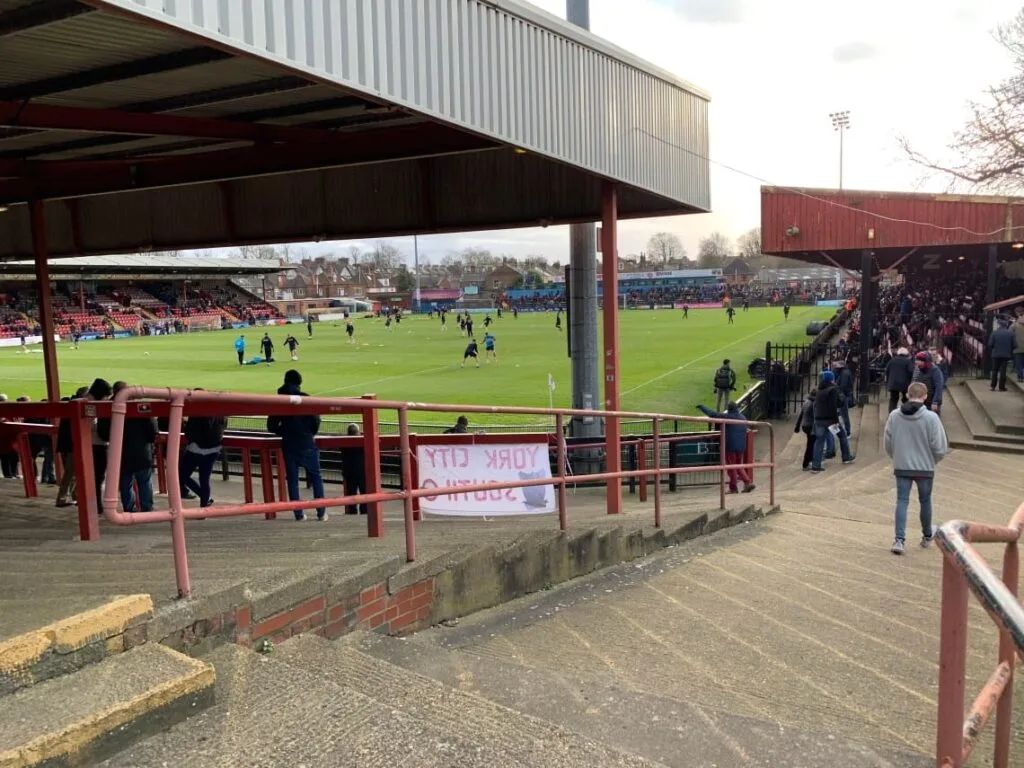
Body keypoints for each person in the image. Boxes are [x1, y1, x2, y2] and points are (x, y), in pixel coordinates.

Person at [883, 381, 949, 555]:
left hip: (902, 465)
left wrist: (896, 457)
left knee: (901, 501)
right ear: (925, 396)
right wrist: (933, 461)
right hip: (925, 467)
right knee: (925, 500)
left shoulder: (894, 416)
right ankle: (927, 535)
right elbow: (939, 446)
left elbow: (888, 442)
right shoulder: (931, 418)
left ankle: (899, 540)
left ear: (908, 394)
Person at [267, 370, 326, 522]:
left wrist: (285, 431)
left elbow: (271, 426)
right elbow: (316, 420)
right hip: (306, 442)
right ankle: (321, 513)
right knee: (316, 477)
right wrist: (308, 433)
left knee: (292, 480)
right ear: (299, 383)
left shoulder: (278, 400)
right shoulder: (305, 398)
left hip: (289, 444)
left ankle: (298, 515)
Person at [99, 381, 158, 513]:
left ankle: (129, 509)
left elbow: (103, 433)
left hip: (120, 453)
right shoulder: (140, 407)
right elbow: (152, 431)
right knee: (144, 482)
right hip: (141, 452)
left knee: (125, 483)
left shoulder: (107, 408)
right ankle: (146, 509)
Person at [179, 390, 226, 508]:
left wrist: (185, 424)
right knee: (204, 480)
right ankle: (204, 504)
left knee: (182, 476)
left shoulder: (196, 412)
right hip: (213, 450)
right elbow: (223, 426)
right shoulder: (219, 411)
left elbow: (190, 433)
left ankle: (204, 498)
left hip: (195, 450)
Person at [697, 401, 755, 493]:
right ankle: (747, 482)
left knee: (732, 467)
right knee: (738, 466)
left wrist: (702, 407)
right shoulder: (743, 418)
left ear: (728, 409)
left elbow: (712, 414)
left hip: (730, 446)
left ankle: (733, 488)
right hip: (741, 447)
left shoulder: (727, 417)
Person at [810, 370, 855, 472]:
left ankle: (816, 466)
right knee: (842, 436)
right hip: (830, 420)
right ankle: (846, 457)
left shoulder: (819, 390)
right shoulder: (832, 390)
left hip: (819, 419)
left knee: (819, 442)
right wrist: (836, 420)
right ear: (831, 379)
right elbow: (832, 407)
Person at [55, 387, 89, 508]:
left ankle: (74, 496)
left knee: (72, 472)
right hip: (71, 445)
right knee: (70, 472)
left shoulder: (69, 404)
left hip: (67, 444)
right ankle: (62, 497)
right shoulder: (76, 406)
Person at [341, 423, 368, 515]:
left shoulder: (344, 442)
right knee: (364, 491)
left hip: (349, 471)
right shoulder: (362, 441)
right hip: (361, 470)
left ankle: (352, 511)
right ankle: (364, 510)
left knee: (351, 492)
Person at [988, 317, 1016, 392]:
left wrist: (995, 348)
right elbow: (1015, 345)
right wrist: (1009, 349)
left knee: (994, 370)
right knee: (1003, 371)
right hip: (1006, 355)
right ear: (1006, 325)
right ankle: (1001, 387)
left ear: (999, 325)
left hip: (995, 354)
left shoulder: (994, 333)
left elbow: (990, 344)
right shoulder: (1010, 333)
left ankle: (993, 386)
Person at [885, 347, 915, 412]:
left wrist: (888, 380)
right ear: (906, 353)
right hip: (904, 383)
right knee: (906, 398)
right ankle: (906, 412)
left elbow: (887, 370)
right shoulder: (908, 361)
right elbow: (911, 371)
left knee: (893, 399)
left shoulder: (892, 360)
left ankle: (891, 413)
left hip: (893, 383)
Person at [793, 389, 817, 471]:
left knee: (810, 444)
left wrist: (797, 426)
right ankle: (806, 464)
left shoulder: (806, 402)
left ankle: (809, 461)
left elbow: (801, 415)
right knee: (810, 446)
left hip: (805, 425)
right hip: (811, 427)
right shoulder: (813, 404)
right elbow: (814, 417)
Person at [834, 360, 855, 437]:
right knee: (842, 414)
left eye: (837, 367)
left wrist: (835, 387)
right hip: (843, 396)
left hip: (843, 397)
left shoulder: (844, 373)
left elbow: (842, 386)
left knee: (844, 415)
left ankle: (847, 432)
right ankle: (842, 431)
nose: (836, 368)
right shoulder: (844, 372)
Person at [1013, 312, 1024, 383]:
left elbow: (1009, 333)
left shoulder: (1015, 325)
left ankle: (1020, 377)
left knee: (1019, 363)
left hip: (1018, 347)